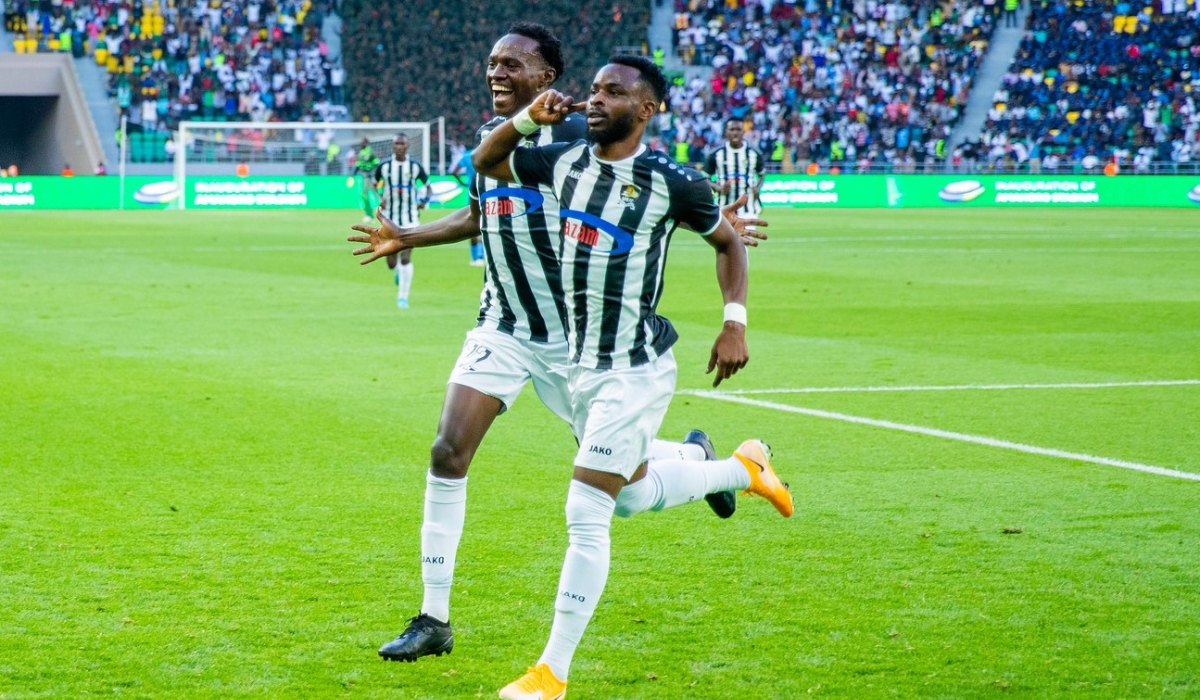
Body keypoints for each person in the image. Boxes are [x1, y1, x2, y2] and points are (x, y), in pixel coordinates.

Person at [347, 24, 770, 670]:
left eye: (511, 64)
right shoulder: (494, 140)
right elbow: (479, 215)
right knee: (448, 450)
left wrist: (710, 222)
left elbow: (641, 198)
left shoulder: (582, 140)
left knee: (625, 491)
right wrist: (409, 236)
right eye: (492, 63)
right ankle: (433, 618)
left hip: (576, 341)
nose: (496, 73)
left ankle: (712, 463)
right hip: (502, 326)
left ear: (546, 77)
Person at [471, 55, 793, 698]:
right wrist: (529, 120)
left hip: (634, 370)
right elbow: (486, 161)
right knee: (630, 495)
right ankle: (741, 469)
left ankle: (551, 672)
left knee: (586, 509)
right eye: (593, 90)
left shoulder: (672, 182)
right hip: (579, 366)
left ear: (646, 109)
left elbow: (728, 242)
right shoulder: (563, 161)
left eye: (613, 92)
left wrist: (734, 322)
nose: (595, 99)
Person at [372, 133, 430, 309]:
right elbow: (374, 184)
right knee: (391, 263)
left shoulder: (415, 166)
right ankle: (398, 271)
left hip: (410, 219)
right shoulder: (384, 166)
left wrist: (424, 201)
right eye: (396, 143)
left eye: (402, 143)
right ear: (392, 146)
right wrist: (380, 198)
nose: (399, 146)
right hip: (390, 219)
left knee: (405, 258)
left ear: (407, 146)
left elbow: (428, 187)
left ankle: (403, 297)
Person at [704, 118, 766, 222]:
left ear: (743, 132)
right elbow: (706, 178)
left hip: (748, 208)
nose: (735, 133)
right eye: (732, 129)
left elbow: (762, 175)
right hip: (723, 208)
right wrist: (718, 188)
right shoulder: (715, 154)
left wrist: (757, 188)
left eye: (738, 129)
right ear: (726, 132)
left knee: (746, 233)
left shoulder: (754, 153)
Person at [449, 145, 485, 266]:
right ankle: (483, 255)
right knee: (487, 222)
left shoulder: (468, 155)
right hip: (486, 191)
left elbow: (454, 171)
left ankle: (475, 258)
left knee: (473, 222)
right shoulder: (488, 151)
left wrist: (463, 183)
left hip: (471, 193)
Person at [355, 138, 380, 222]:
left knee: (365, 194)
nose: (361, 144)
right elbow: (358, 165)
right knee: (375, 194)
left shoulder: (371, 152)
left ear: (366, 143)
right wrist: (352, 174)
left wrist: (375, 175)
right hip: (364, 177)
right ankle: (371, 215)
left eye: (363, 142)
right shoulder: (361, 153)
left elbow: (377, 164)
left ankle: (370, 215)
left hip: (370, 177)